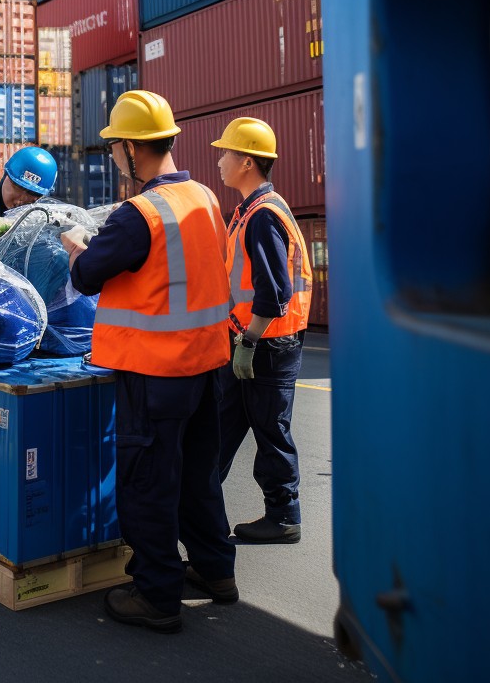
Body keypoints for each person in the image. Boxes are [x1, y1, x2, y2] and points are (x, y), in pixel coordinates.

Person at [61, 90, 236, 634]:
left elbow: (89, 276)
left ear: (134, 148)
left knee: (148, 483)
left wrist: (76, 249)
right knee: (198, 478)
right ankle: (215, 572)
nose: (113, 156)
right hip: (209, 367)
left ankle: (157, 594)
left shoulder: (140, 214)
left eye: (115, 147)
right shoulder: (204, 196)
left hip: (157, 373)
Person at [211, 117, 313, 544]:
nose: (219, 162)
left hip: (265, 344)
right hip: (253, 340)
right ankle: (194, 504)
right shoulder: (254, 210)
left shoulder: (262, 216)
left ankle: (284, 517)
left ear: (247, 162)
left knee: (271, 432)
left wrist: (248, 342)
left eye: (226, 153)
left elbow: (274, 293)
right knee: (220, 428)